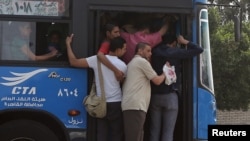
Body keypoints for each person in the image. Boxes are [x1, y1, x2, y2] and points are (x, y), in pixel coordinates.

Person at [66, 35, 127, 141]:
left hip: (100, 102)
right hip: (116, 102)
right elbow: (123, 82)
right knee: (116, 133)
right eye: (124, 49)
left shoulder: (96, 60)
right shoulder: (122, 65)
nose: (125, 51)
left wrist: (68, 44)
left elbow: (73, 62)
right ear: (118, 50)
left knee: (101, 133)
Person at [149, 34, 204, 141]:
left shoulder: (154, 52)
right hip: (170, 97)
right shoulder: (174, 52)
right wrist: (184, 42)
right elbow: (199, 49)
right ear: (173, 44)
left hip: (155, 96)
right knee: (168, 132)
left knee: (154, 130)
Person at [121, 42, 166, 141]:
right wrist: (165, 72)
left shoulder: (132, 63)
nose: (151, 54)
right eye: (148, 51)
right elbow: (157, 81)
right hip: (136, 106)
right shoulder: (142, 62)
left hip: (133, 105)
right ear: (140, 51)